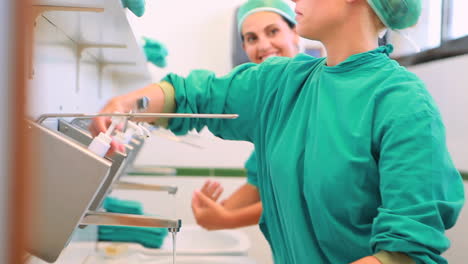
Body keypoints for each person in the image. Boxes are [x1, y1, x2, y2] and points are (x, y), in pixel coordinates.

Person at [91, 0, 465, 263]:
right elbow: (196, 93)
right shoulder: (281, 83)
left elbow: (406, 252)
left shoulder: (403, 104)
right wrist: (129, 105)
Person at [191, 0, 300, 231]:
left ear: (295, 32)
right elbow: (257, 185)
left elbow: (311, 198)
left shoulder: (314, 96)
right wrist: (216, 212)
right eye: (251, 38)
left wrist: (227, 219)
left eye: (273, 31)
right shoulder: (272, 110)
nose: (263, 45)